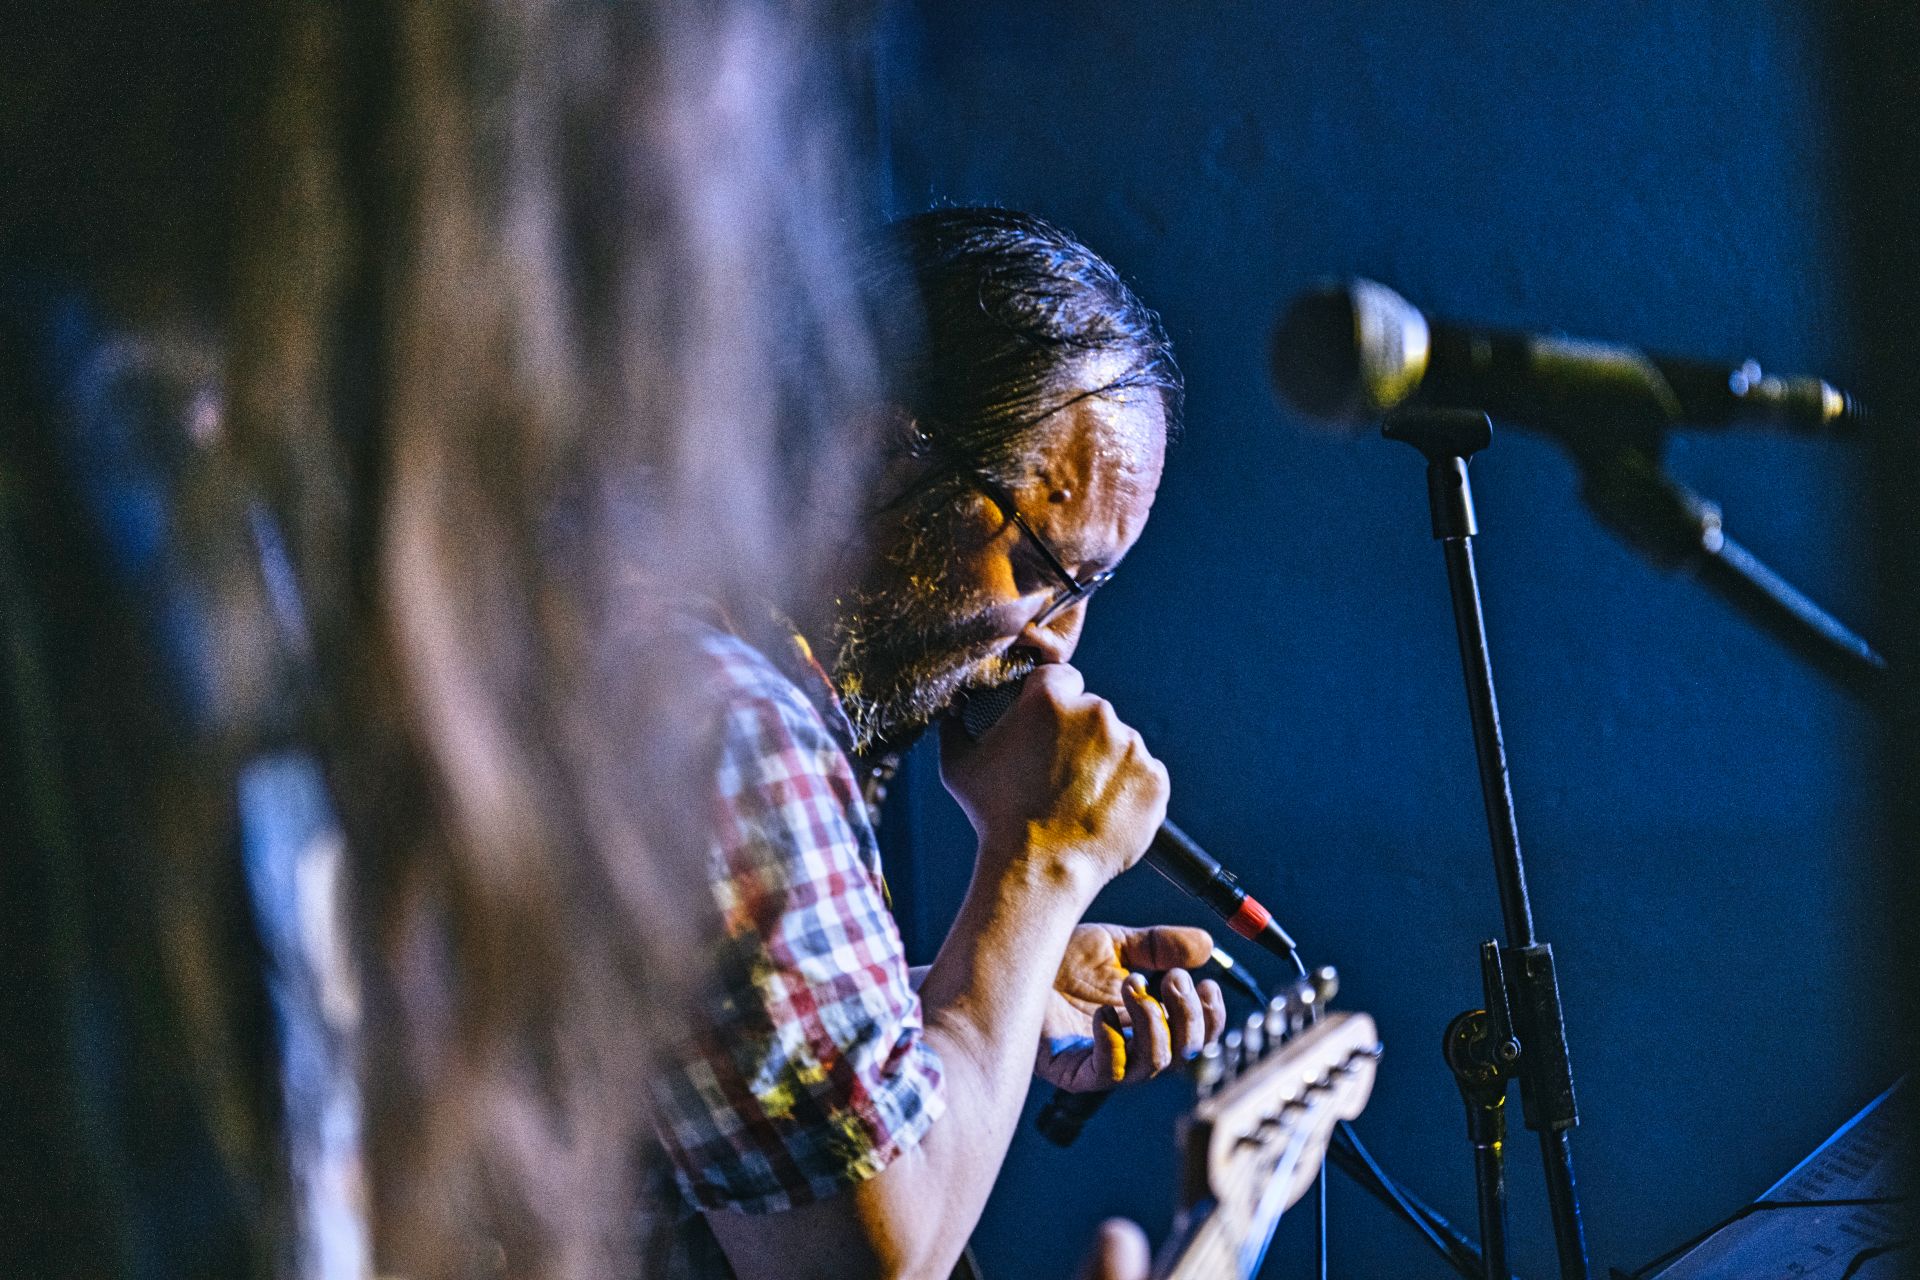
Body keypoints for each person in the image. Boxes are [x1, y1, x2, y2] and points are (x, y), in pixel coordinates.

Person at [641, 207, 1227, 1280]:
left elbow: (663, 1080)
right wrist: (1043, 862)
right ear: (876, 461)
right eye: (1044, 568)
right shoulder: (744, 734)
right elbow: (862, 1262)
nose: (1057, 642)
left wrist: (977, 992)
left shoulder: (637, 631)